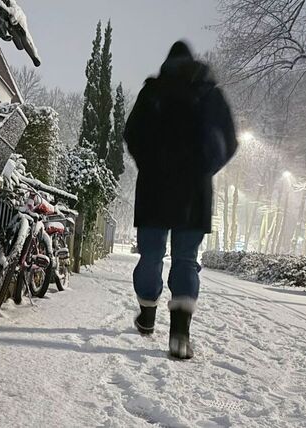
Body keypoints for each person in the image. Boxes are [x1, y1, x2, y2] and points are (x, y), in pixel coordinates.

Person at [124, 41, 237, 360]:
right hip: (194, 192)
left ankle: (147, 315)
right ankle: (179, 337)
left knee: (151, 254)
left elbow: (131, 133)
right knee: (186, 260)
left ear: (168, 63)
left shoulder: (152, 92)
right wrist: (204, 170)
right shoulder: (210, 95)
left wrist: (148, 164)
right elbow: (228, 141)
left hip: (154, 189)